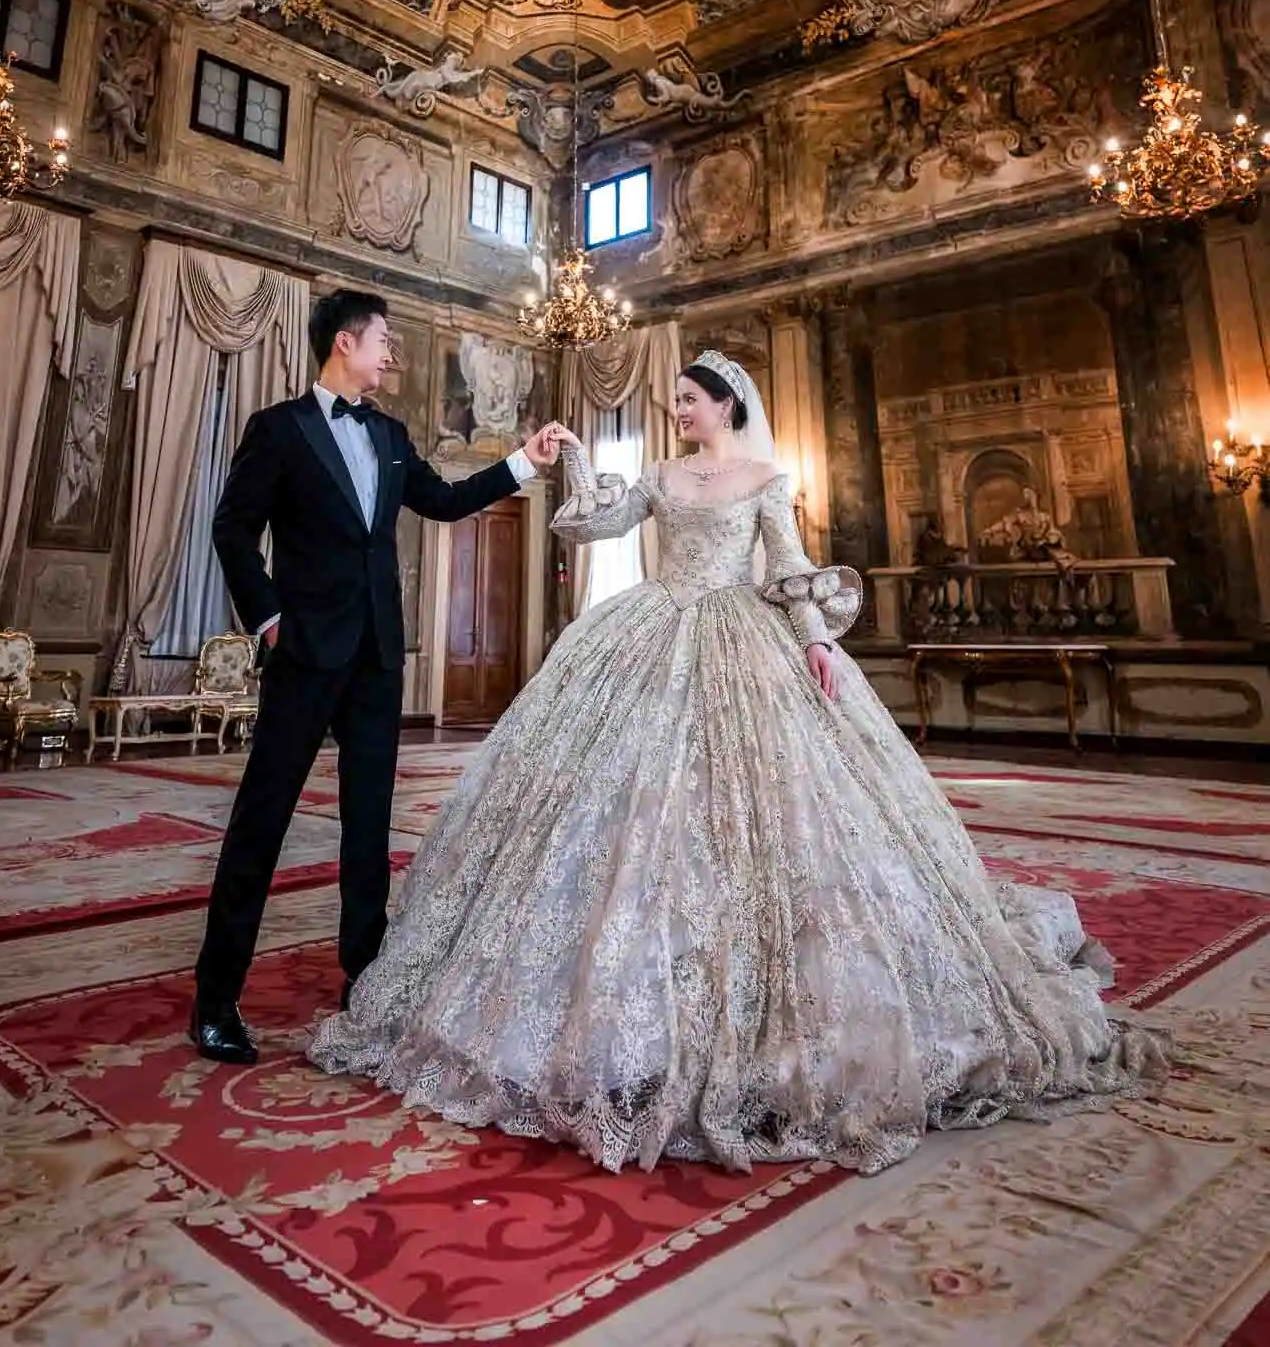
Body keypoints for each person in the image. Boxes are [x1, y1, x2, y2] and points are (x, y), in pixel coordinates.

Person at [308, 351, 1166, 1175]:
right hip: (647, 632)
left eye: (689, 398)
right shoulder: (660, 475)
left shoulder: (763, 480)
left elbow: (787, 566)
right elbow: (598, 521)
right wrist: (568, 464)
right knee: (616, 805)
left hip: (739, 637)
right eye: (674, 400)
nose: (677, 411)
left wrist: (816, 643)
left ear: (726, 406)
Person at [189, 289, 562, 1065]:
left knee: (368, 830)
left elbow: (448, 500)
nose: (392, 355)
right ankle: (215, 999)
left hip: (375, 659)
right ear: (345, 345)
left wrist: (525, 460)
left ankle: (367, 981)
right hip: (302, 653)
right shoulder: (279, 430)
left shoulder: (390, 435)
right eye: (383, 341)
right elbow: (231, 529)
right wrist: (268, 617)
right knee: (262, 820)